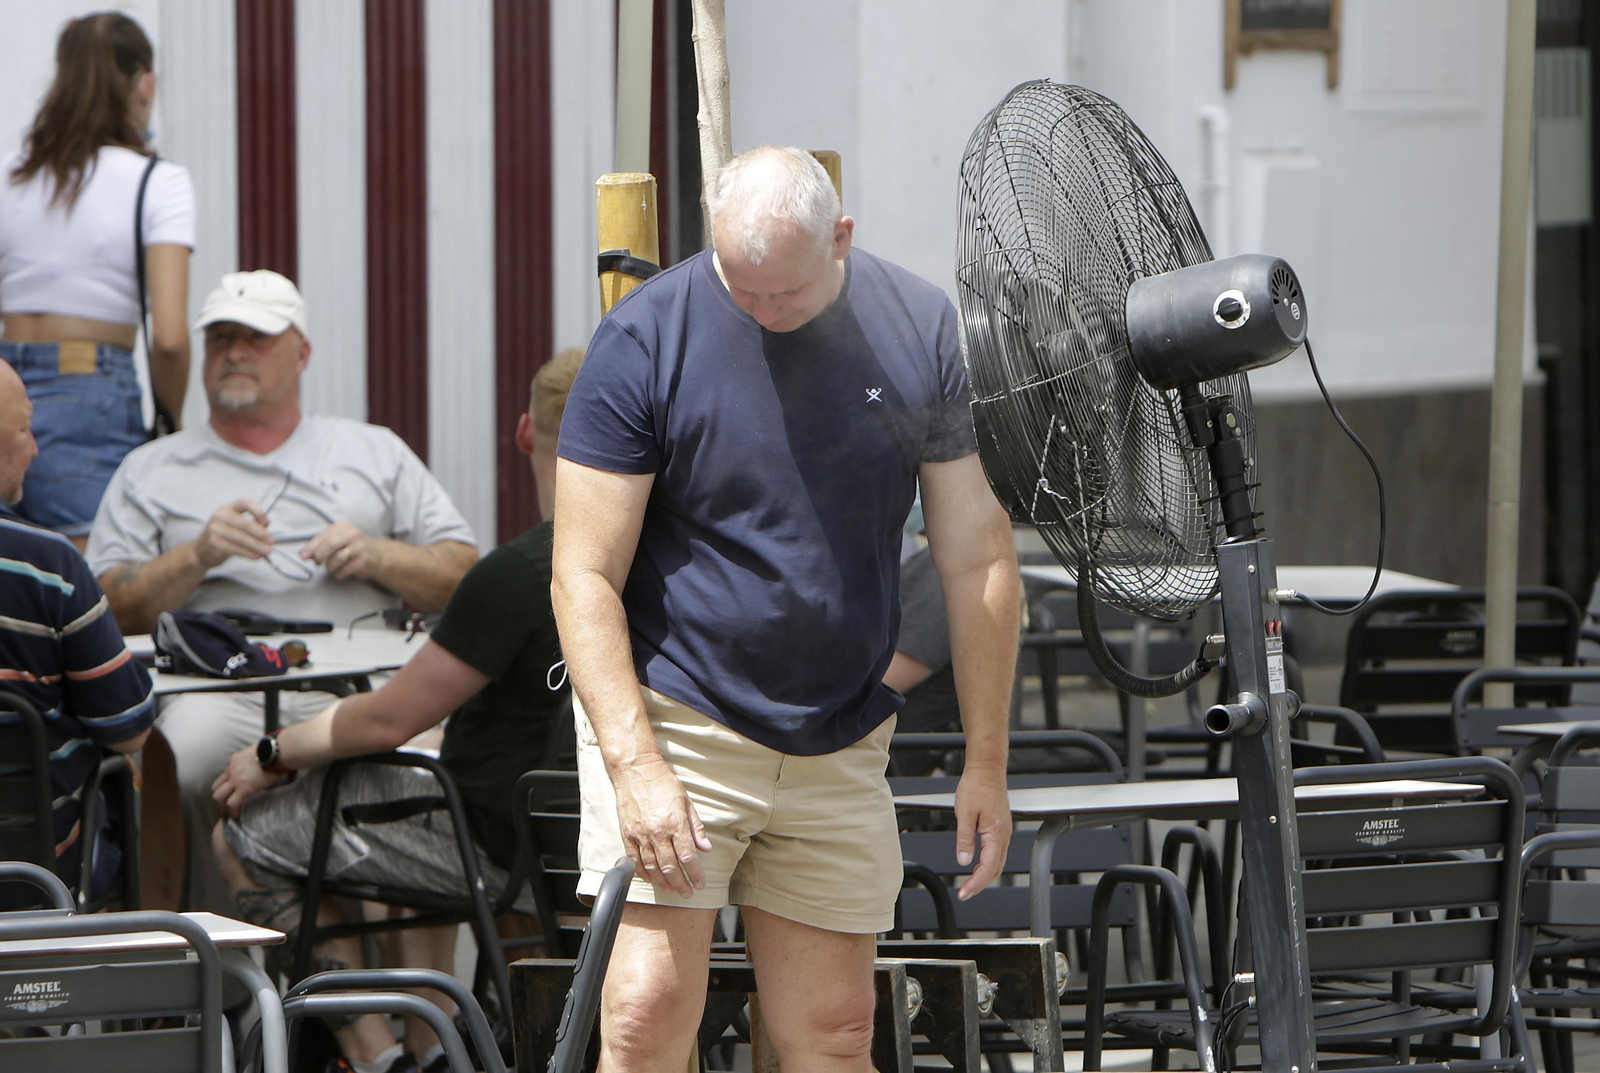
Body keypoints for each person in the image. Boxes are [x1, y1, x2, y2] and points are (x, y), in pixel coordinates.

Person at [552, 145, 1021, 1071]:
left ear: (841, 237)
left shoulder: (920, 326)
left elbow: (977, 556)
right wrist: (634, 764)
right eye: (741, 287)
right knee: (647, 1013)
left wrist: (988, 763)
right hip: (677, 717)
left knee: (837, 1029)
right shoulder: (645, 336)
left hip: (840, 728)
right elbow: (582, 575)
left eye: (787, 295)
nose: (762, 312)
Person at [206, 350, 582, 1073]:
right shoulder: (665, 554)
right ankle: (430, 1040)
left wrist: (267, 754)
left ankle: (378, 1053)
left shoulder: (518, 573)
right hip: (607, 847)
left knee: (242, 830)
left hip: (499, 845)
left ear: (526, 433)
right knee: (401, 781)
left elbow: (384, 722)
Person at [86, 268, 478, 913]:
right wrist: (198, 555)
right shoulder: (153, 466)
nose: (234, 352)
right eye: (220, 338)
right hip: (218, 686)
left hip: (361, 688)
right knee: (184, 764)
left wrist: (378, 554)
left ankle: (402, 991)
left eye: (256, 338)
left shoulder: (371, 450)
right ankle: (218, 973)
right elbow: (104, 606)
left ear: (301, 354)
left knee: (423, 766)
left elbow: (465, 574)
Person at [1, 11, 193, 545]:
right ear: (144, 86)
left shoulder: (11, 175)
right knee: (91, 579)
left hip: (4, 385)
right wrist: (169, 423)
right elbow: (172, 339)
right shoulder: (159, 182)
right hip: (93, 394)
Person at [0, 359, 155, 907]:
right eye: (24, 429)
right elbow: (127, 731)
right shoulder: (50, 567)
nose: (36, 449)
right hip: (36, 882)